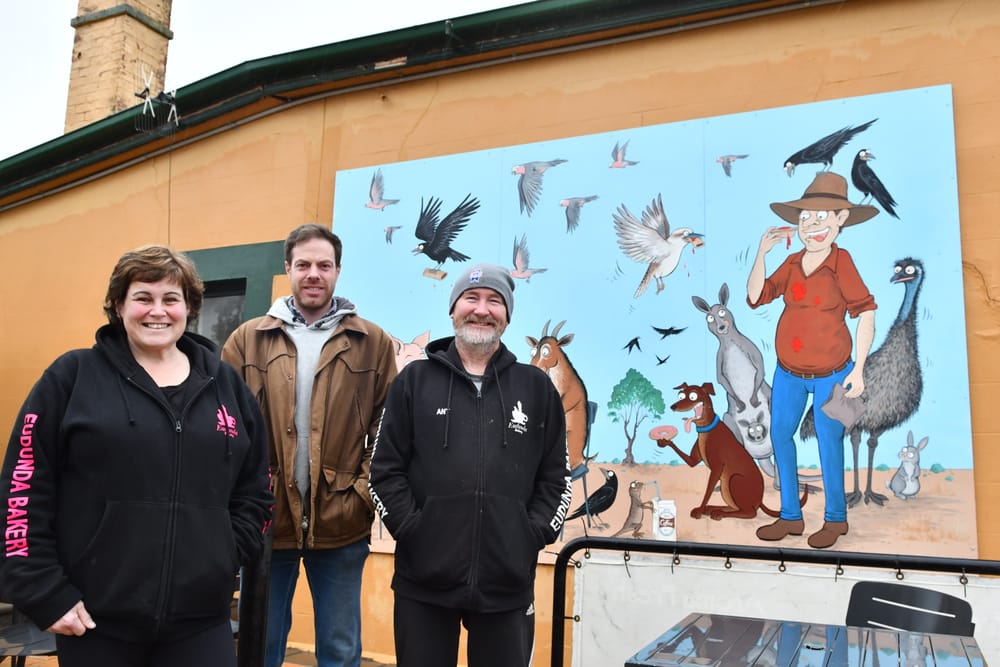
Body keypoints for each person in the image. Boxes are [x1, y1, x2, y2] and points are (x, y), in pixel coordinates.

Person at [0, 245, 273, 666]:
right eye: (143, 297)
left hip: (201, 620)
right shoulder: (71, 378)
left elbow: (255, 487)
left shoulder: (226, 386)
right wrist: (43, 591)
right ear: (118, 305)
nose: (157, 311)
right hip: (95, 620)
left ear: (190, 307)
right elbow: (23, 487)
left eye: (171, 299)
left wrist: (226, 551)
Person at [369, 263, 573, 667]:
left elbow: (556, 477)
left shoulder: (536, 388)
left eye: (494, 301)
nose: (482, 310)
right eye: (471, 298)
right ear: (453, 308)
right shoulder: (413, 382)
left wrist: (531, 534)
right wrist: (414, 530)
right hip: (422, 584)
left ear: (507, 315)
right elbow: (383, 471)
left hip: (507, 585)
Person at [221, 223, 397, 667]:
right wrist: (242, 499)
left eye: (324, 265)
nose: (313, 274)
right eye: (303, 265)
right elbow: (223, 428)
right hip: (265, 521)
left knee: (340, 650)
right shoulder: (246, 339)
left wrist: (361, 492)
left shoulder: (371, 342)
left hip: (341, 521)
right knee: (261, 646)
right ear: (288, 269)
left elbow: (388, 427)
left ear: (338, 271)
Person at [746, 172, 878, 549]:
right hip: (788, 374)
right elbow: (756, 296)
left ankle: (836, 520)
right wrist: (761, 253)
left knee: (828, 441)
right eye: (805, 217)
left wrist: (860, 368)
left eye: (823, 216)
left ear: (840, 220)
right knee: (780, 436)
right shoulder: (791, 263)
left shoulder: (841, 262)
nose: (813, 224)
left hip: (831, 376)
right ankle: (791, 516)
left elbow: (866, 311)